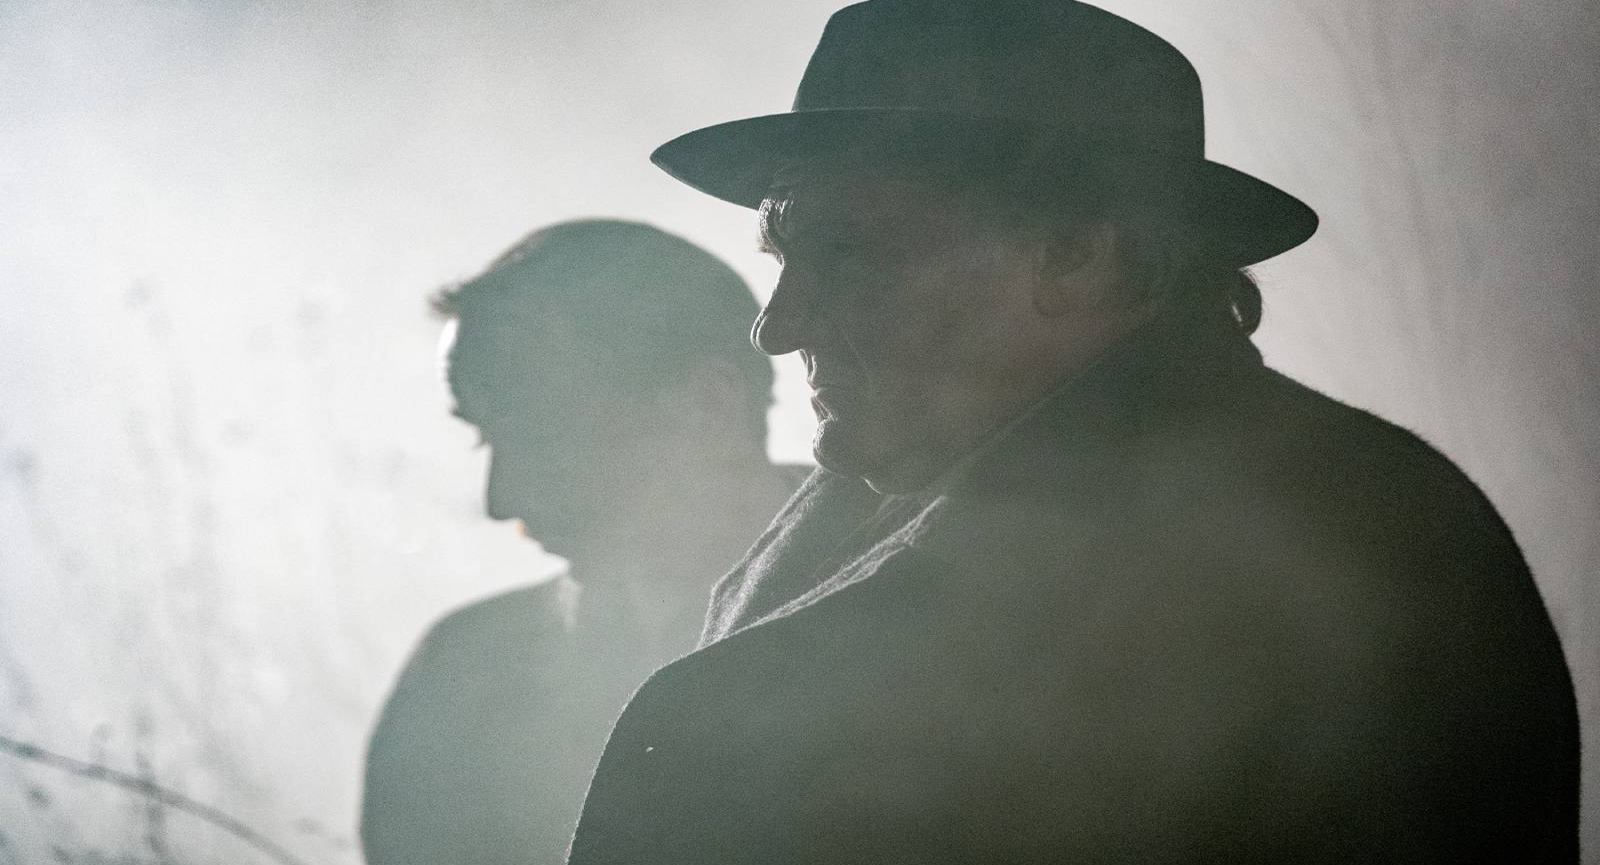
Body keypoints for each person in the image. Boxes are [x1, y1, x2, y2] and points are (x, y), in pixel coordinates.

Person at [567, 2, 1580, 863]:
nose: (778, 325)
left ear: (1083, 256)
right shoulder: (1378, 496)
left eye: (851, 255)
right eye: (784, 252)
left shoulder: (1342, 539)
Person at [359, 220, 800, 865]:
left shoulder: (919, 628)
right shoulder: (463, 672)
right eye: (485, 436)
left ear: (708, 405)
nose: (501, 500)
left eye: (542, 434)